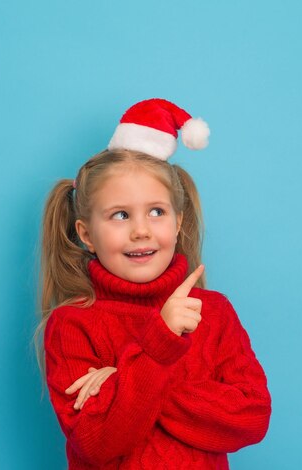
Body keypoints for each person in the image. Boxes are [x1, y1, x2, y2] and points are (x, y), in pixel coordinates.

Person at [34, 98, 272, 469]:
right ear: (87, 234)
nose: (141, 230)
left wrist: (124, 382)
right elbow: (98, 443)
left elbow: (251, 418)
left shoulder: (214, 312)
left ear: (178, 223)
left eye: (156, 212)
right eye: (120, 215)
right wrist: (158, 343)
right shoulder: (72, 325)